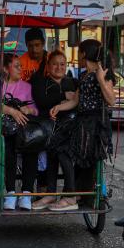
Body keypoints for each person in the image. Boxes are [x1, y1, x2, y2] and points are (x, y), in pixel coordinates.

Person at [47, 39, 115, 211]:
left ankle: (70, 196)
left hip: (95, 125)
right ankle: (73, 193)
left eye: (79, 53)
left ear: (84, 53)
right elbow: (76, 101)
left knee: (66, 152)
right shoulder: (83, 74)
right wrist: (58, 107)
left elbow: (111, 100)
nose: (77, 56)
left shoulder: (103, 73)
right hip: (82, 122)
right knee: (60, 149)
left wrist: (100, 79)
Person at [0, 53, 38, 210]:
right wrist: (13, 111)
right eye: (16, 66)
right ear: (5, 69)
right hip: (3, 131)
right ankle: (10, 192)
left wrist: (28, 109)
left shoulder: (27, 87)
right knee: (8, 145)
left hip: (24, 131)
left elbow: (36, 109)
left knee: (32, 146)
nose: (21, 68)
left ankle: (27, 193)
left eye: (21, 65)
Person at [29, 50, 78, 210]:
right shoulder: (40, 82)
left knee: (60, 148)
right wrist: (63, 96)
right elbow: (42, 102)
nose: (59, 67)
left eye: (62, 64)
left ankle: (66, 194)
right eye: (55, 64)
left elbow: (78, 102)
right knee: (52, 145)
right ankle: (51, 193)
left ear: (67, 65)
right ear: (48, 66)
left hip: (70, 126)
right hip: (47, 124)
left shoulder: (73, 82)